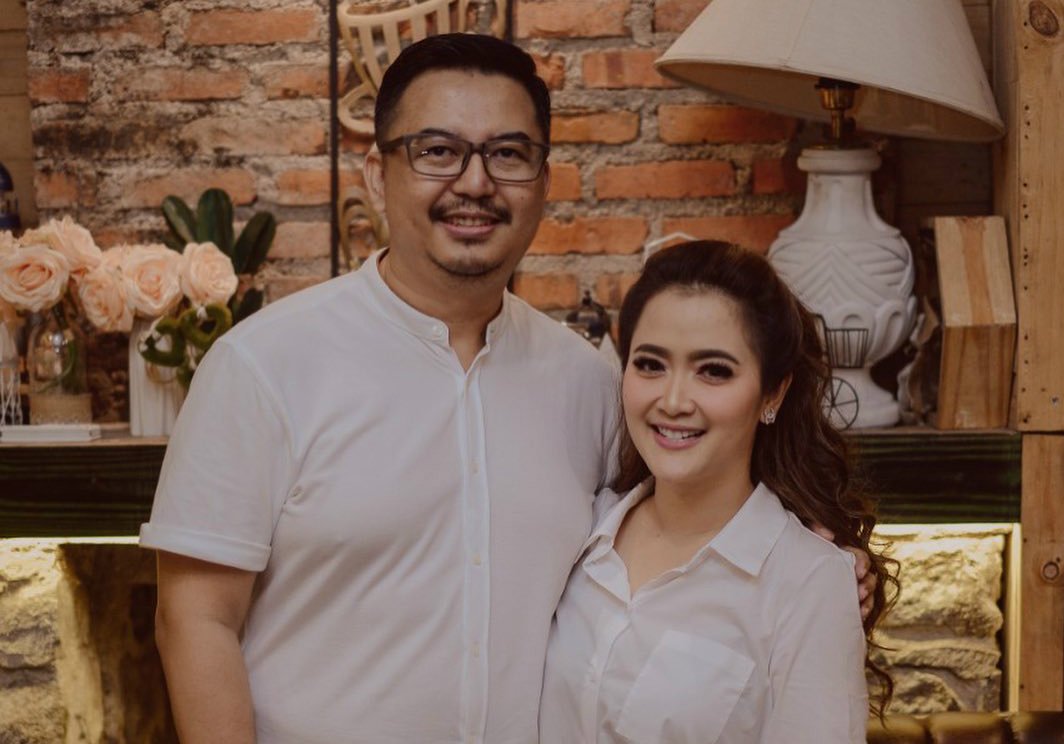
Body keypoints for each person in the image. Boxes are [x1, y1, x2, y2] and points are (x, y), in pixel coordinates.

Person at [140, 34, 873, 744]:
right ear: (376, 175)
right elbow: (195, 618)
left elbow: (689, 508)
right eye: (437, 151)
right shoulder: (263, 366)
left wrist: (816, 568)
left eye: (508, 155)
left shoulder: (588, 381)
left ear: (544, 183)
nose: (474, 183)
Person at [540, 240, 894, 744]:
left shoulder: (807, 581)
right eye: (651, 364)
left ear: (773, 392)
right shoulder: (583, 528)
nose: (673, 400)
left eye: (714, 371)